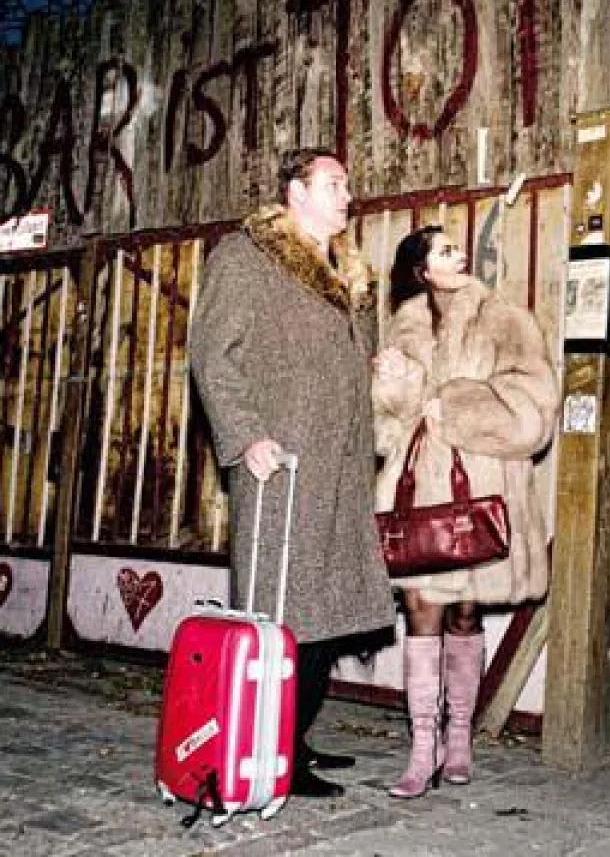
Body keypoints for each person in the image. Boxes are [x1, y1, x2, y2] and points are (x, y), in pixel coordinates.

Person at [189, 147, 396, 799]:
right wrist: (246, 434)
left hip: (341, 467)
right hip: (283, 465)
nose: (347, 196)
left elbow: (346, 368)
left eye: (347, 185)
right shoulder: (246, 258)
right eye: (334, 184)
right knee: (285, 613)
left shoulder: (352, 276)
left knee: (329, 615)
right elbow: (211, 355)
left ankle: (292, 738)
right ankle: (268, 746)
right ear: (295, 192)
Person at [371, 225, 559, 799]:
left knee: (464, 617)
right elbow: (384, 427)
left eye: (457, 246)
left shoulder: (506, 320)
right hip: (418, 492)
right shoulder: (402, 328)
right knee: (422, 611)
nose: (456, 253)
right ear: (421, 270)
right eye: (442, 249)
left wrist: (453, 403)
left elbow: (535, 409)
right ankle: (421, 745)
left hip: (480, 489)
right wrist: (395, 391)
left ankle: (460, 738)